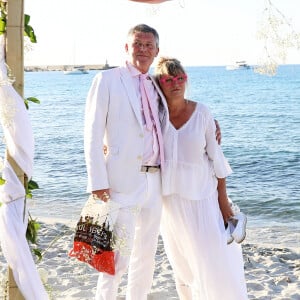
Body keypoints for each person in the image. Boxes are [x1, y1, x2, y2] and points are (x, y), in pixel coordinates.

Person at [84, 23, 169, 300]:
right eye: (137, 44)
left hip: (155, 181)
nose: (142, 50)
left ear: (156, 51)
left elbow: (170, 121)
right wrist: (97, 181)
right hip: (121, 181)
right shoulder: (108, 80)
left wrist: (210, 124)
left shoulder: (157, 84)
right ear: (127, 47)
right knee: (116, 255)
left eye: (148, 46)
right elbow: (93, 133)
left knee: (146, 253)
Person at [154, 57, 248, 300]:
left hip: (202, 202)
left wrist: (223, 203)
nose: (176, 83)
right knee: (182, 265)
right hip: (170, 205)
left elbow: (217, 161)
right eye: (169, 79)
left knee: (213, 264)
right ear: (159, 83)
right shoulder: (156, 116)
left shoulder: (202, 113)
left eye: (181, 78)